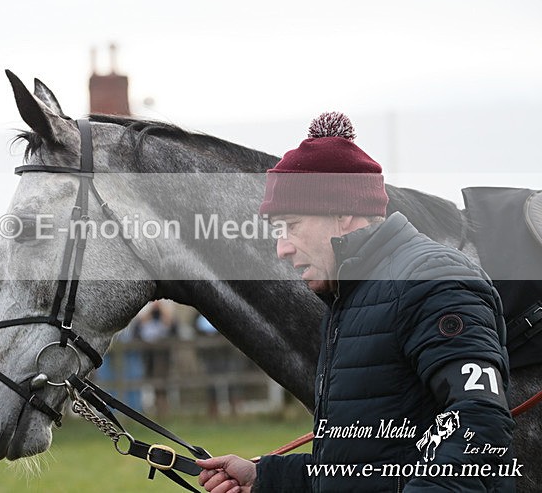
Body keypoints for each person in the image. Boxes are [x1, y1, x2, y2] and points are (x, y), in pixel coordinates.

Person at [196, 112, 515, 491]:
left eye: (292, 225)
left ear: (343, 213)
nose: (281, 248)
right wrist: (266, 478)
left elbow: (480, 425)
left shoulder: (431, 279)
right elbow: (365, 464)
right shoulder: (351, 298)